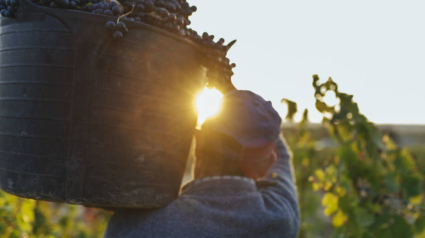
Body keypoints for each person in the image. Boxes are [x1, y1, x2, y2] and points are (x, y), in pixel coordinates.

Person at [103, 90, 300, 238]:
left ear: (197, 146)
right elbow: (281, 161)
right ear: (267, 163)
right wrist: (240, 98)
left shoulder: (131, 227)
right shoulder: (278, 219)